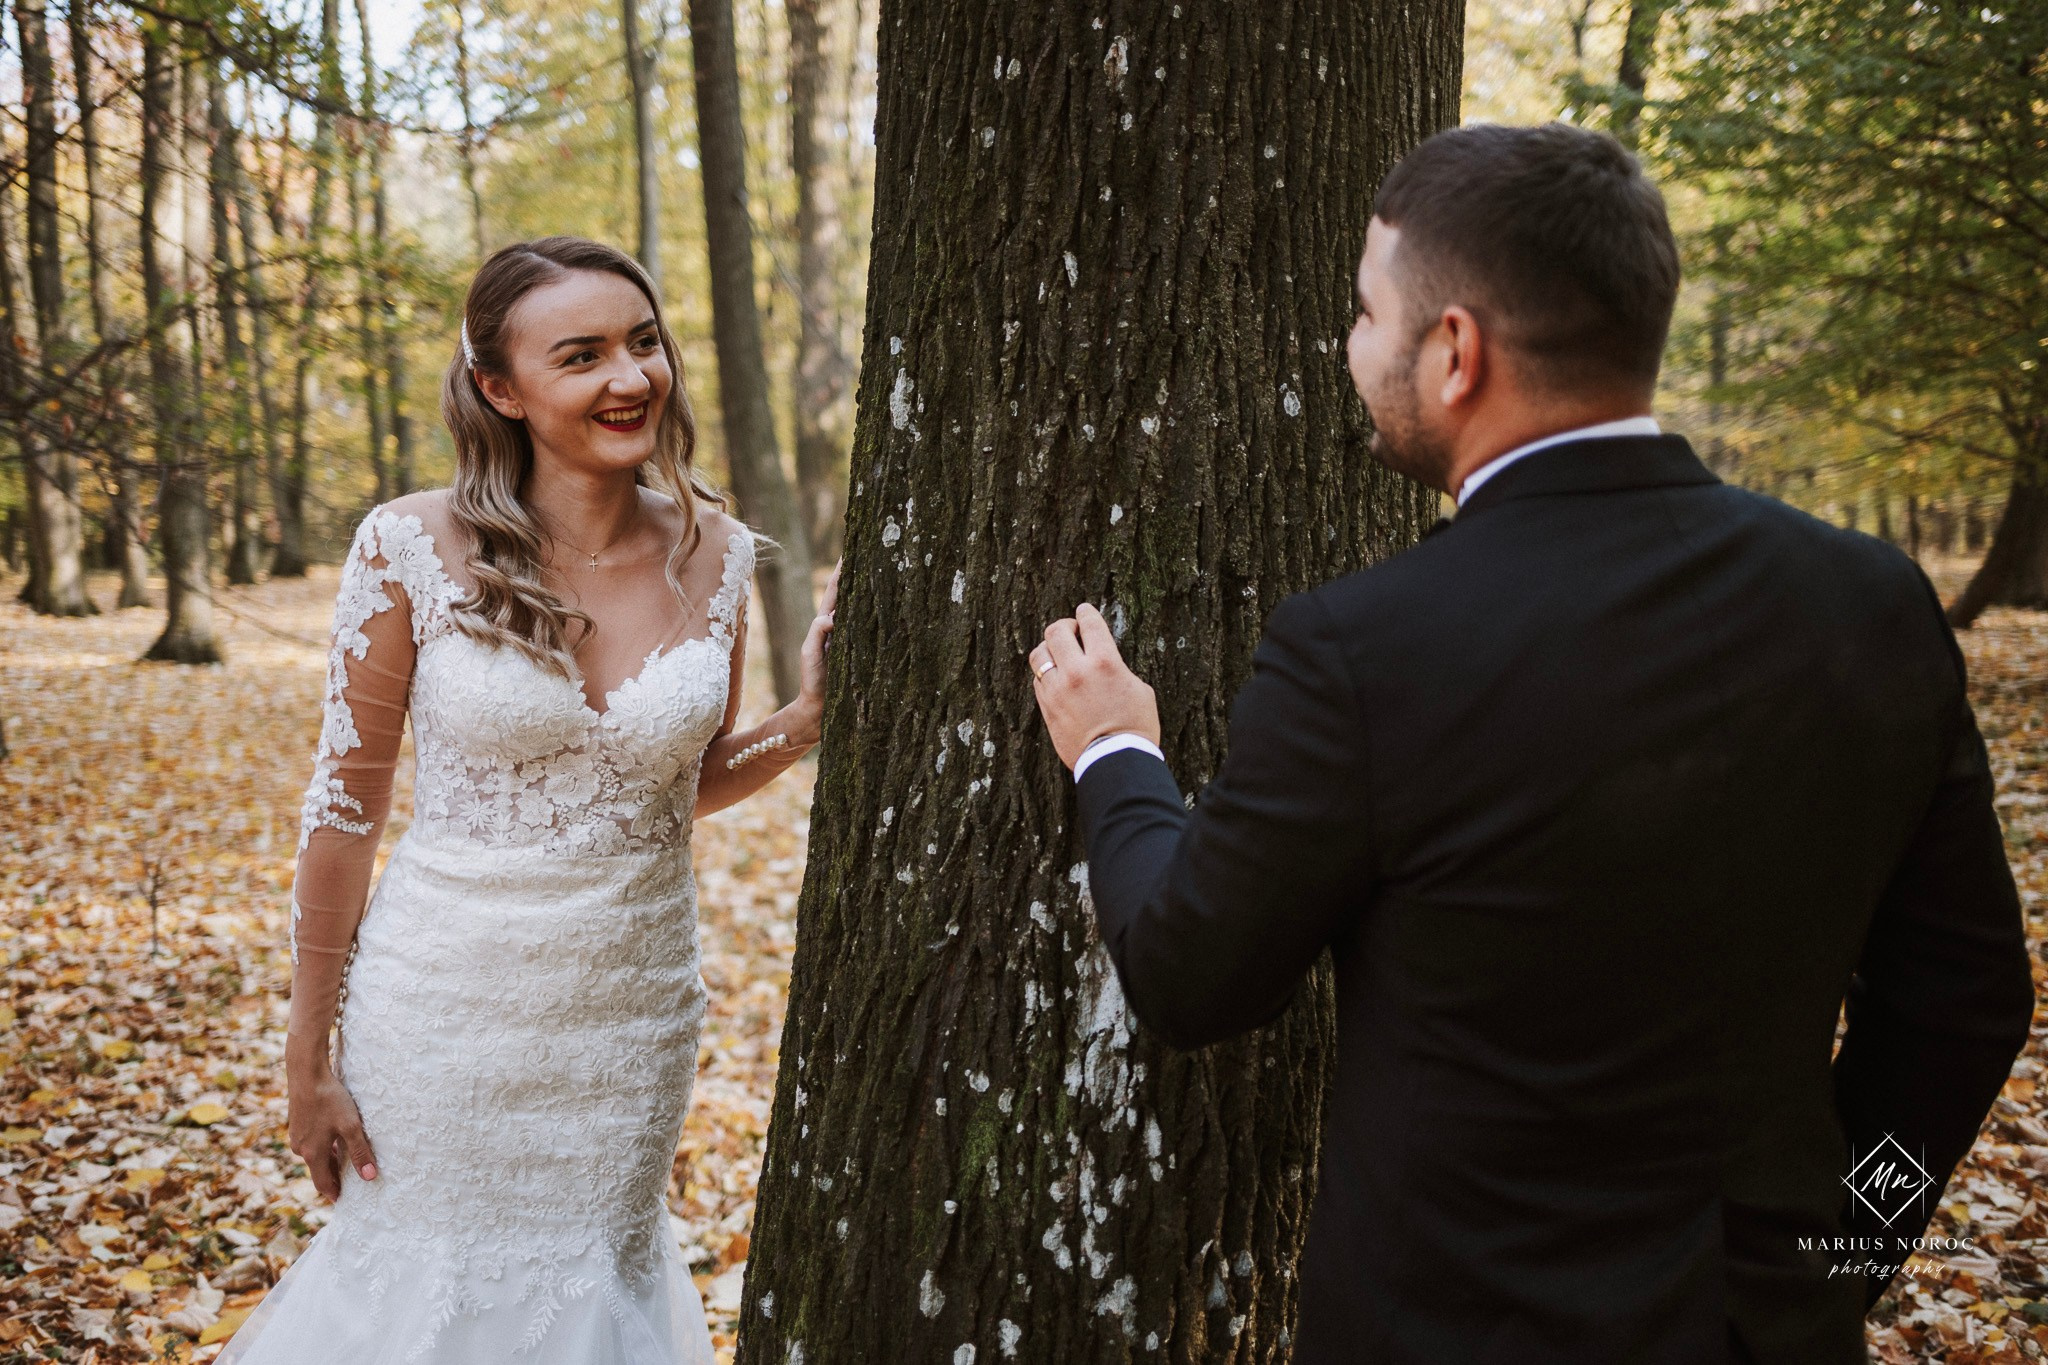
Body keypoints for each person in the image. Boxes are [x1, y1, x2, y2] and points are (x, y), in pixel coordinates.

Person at [1030, 123, 2034, 1364]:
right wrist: (1842, 1253)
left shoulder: (1364, 649)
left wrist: (1116, 757)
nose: (1349, 348)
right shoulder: (1871, 602)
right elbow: (1967, 1001)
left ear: (1455, 351)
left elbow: (1190, 974)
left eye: (1363, 314)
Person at [222, 237, 837, 1364]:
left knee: (591, 1286)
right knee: (425, 1291)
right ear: (501, 389)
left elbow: (669, 784)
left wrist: (799, 726)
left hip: (627, 1018)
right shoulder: (407, 545)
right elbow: (343, 811)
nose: (630, 377)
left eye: (644, 343)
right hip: (441, 1014)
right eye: (584, 355)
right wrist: (307, 1058)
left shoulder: (717, 554)